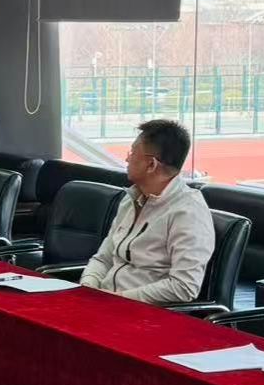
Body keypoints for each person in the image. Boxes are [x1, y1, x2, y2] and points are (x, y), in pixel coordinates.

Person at [80, 119, 215, 306]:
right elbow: (103, 258)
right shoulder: (131, 199)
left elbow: (184, 286)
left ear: (151, 164)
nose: (127, 159)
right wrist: (88, 286)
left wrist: (119, 299)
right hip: (106, 303)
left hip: (142, 312)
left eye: (132, 153)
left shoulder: (188, 212)